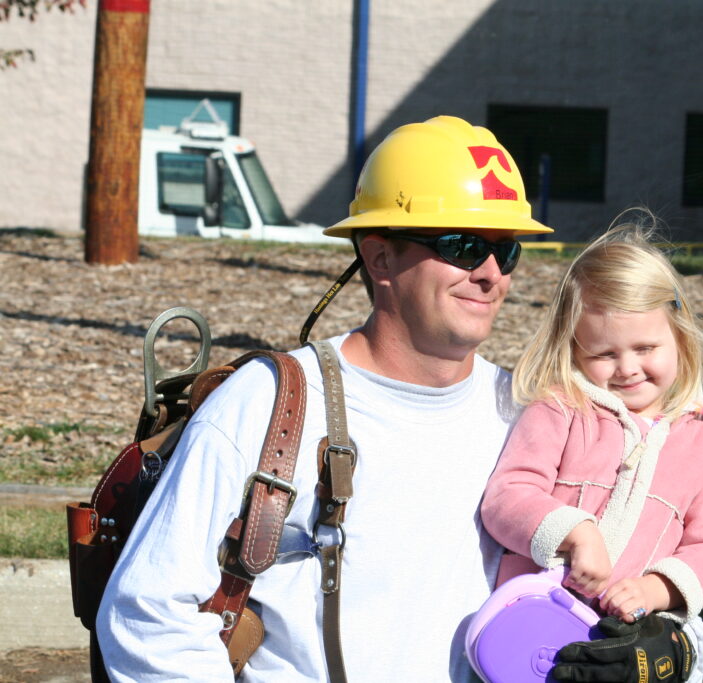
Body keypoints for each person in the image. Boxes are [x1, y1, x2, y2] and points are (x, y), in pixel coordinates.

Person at [95, 115, 552, 682]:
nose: (490, 275)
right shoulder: (269, 403)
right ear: (379, 257)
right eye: (462, 246)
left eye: (506, 252)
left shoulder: (531, 414)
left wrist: (669, 642)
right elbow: (148, 615)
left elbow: (634, 567)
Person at [479, 218, 703, 682]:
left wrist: (656, 589)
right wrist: (577, 534)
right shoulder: (560, 410)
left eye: (645, 347)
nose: (627, 369)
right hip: (535, 624)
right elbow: (508, 495)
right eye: (604, 354)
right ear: (574, 347)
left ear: (679, 336)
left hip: (631, 640)